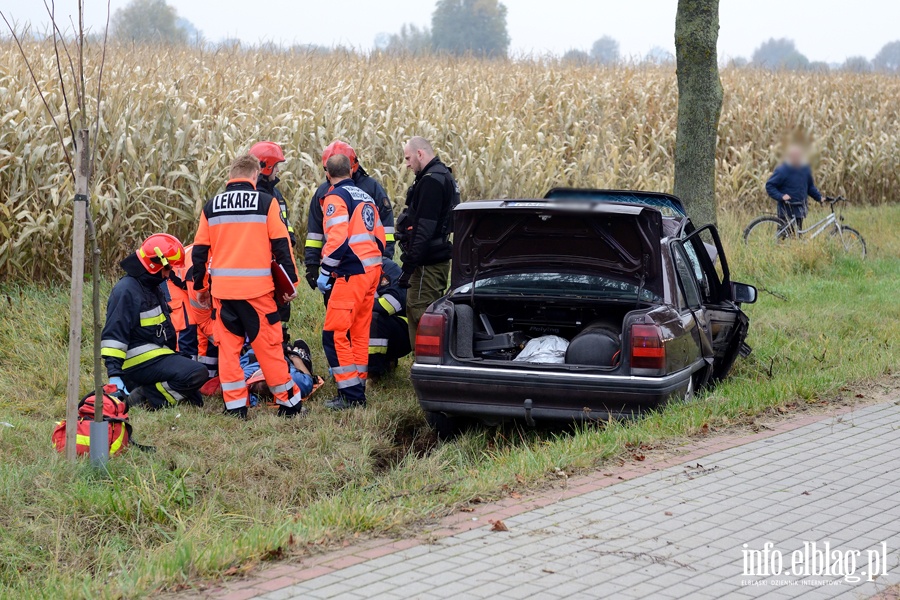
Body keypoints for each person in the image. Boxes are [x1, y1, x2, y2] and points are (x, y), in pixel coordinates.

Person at [191, 154, 303, 419]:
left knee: (228, 352)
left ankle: (235, 406)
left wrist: (202, 288)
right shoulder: (266, 202)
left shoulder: (211, 206)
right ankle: (288, 403)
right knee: (269, 349)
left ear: (231, 176)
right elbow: (281, 245)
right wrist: (290, 283)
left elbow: (199, 253)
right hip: (257, 294)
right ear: (255, 176)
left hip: (223, 295)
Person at [101, 234, 208, 410]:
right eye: (168, 269)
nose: (169, 275)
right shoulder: (126, 290)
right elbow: (114, 336)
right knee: (196, 373)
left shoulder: (149, 286)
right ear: (154, 265)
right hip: (134, 363)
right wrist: (114, 375)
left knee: (195, 396)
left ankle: (144, 391)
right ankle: (145, 398)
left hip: (152, 357)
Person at [316, 153, 386, 410]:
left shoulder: (336, 196)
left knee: (334, 334)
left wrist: (325, 270)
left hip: (351, 272)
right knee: (358, 331)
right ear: (352, 170)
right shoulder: (365, 196)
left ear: (328, 173)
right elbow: (380, 237)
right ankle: (359, 386)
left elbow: (337, 237)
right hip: (372, 271)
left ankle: (351, 395)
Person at [304, 140, 395, 292]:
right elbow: (315, 232)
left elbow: (386, 230)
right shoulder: (323, 193)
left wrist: (384, 259)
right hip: (337, 268)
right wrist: (312, 264)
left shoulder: (370, 188)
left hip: (362, 268)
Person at [397, 136, 460, 346]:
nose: (407, 164)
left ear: (420, 154)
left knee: (419, 311)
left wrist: (408, 267)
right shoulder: (444, 175)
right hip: (435, 258)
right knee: (426, 310)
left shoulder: (431, 181)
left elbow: (423, 230)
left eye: (408, 158)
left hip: (427, 264)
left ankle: (426, 365)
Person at [249, 141, 295, 340]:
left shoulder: (275, 194)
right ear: (266, 166)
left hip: (278, 260)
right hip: (264, 264)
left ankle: (279, 343)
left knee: (280, 310)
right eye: (276, 166)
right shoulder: (257, 196)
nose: (278, 170)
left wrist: (290, 237)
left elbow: (283, 223)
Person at [368, 258, 412, 377]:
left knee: (373, 318)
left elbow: (392, 304)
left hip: (401, 331)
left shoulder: (388, 268)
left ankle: (373, 371)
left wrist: (360, 305)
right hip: (365, 326)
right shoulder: (348, 270)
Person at [765, 143, 822, 231]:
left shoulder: (805, 170)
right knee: (783, 237)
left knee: (797, 237)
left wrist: (819, 198)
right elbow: (770, 185)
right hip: (786, 209)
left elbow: (810, 187)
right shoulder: (783, 170)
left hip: (800, 208)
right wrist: (781, 196)